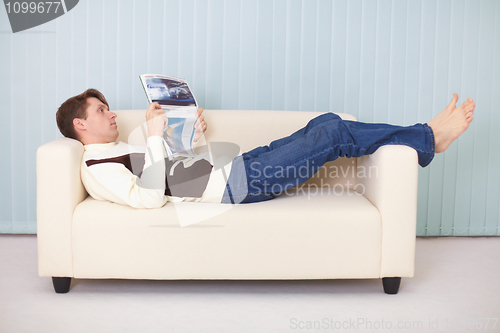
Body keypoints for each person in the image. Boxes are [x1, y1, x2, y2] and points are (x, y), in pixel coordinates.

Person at [56, 89, 475, 208]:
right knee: (331, 138)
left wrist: (189, 131)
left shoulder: (124, 146)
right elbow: (150, 198)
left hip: (232, 166)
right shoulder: (97, 166)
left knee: (326, 122)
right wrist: (150, 134)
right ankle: (429, 138)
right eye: (101, 110)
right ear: (80, 124)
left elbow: (174, 169)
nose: (111, 115)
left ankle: (425, 137)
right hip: (238, 186)